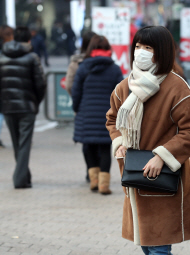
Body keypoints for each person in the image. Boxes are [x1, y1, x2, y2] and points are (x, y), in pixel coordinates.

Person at [106, 26, 190, 254]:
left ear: (161, 51)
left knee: (159, 247)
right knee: (148, 247)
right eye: (138, 46)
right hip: (133, 176)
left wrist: (162, 156)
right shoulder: (124, 87)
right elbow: (112, 119)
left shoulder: (176, 87)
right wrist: (119, 142)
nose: (141, 52)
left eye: (148, 47)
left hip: (162, 177)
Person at [0, 27, 46, 189]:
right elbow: (40, 84)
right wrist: (35, 102)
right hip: (27, 107)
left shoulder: (1, 57)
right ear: (28, 40)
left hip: (9, 107)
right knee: (24, 144)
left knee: (17, 144)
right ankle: (20, 179)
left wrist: (5, 100)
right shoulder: (32, 58)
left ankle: (23, 175)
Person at [72, 35, 123, 194]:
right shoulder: (114, 69)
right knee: (105, 147)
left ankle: (93, 180)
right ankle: (103, 184)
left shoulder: (83, 67)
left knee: (88, 147)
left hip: (87, 114)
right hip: (108, 115)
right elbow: (121, 94)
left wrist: (76, 108)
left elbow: (76, 92)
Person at [66, 31, 96, 183]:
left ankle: (90, 172)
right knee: (103, 142)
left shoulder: (76, 63)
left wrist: (77, 102)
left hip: (84, 106)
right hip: (103, 108)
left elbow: (70, 85)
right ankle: (101, 175)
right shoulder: (108, 61)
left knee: (87, 140)